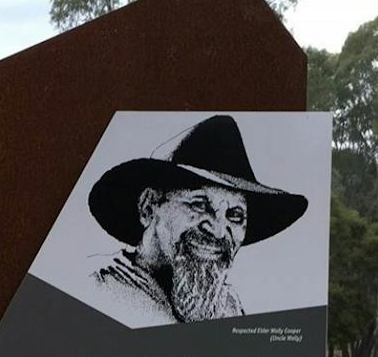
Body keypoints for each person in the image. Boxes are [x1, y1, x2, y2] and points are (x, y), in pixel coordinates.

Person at [85, 114, 308, 325]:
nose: (219, 231)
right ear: (149, 207)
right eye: (199, 204)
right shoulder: (99, 292)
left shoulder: (229, 307)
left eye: (235, 215)